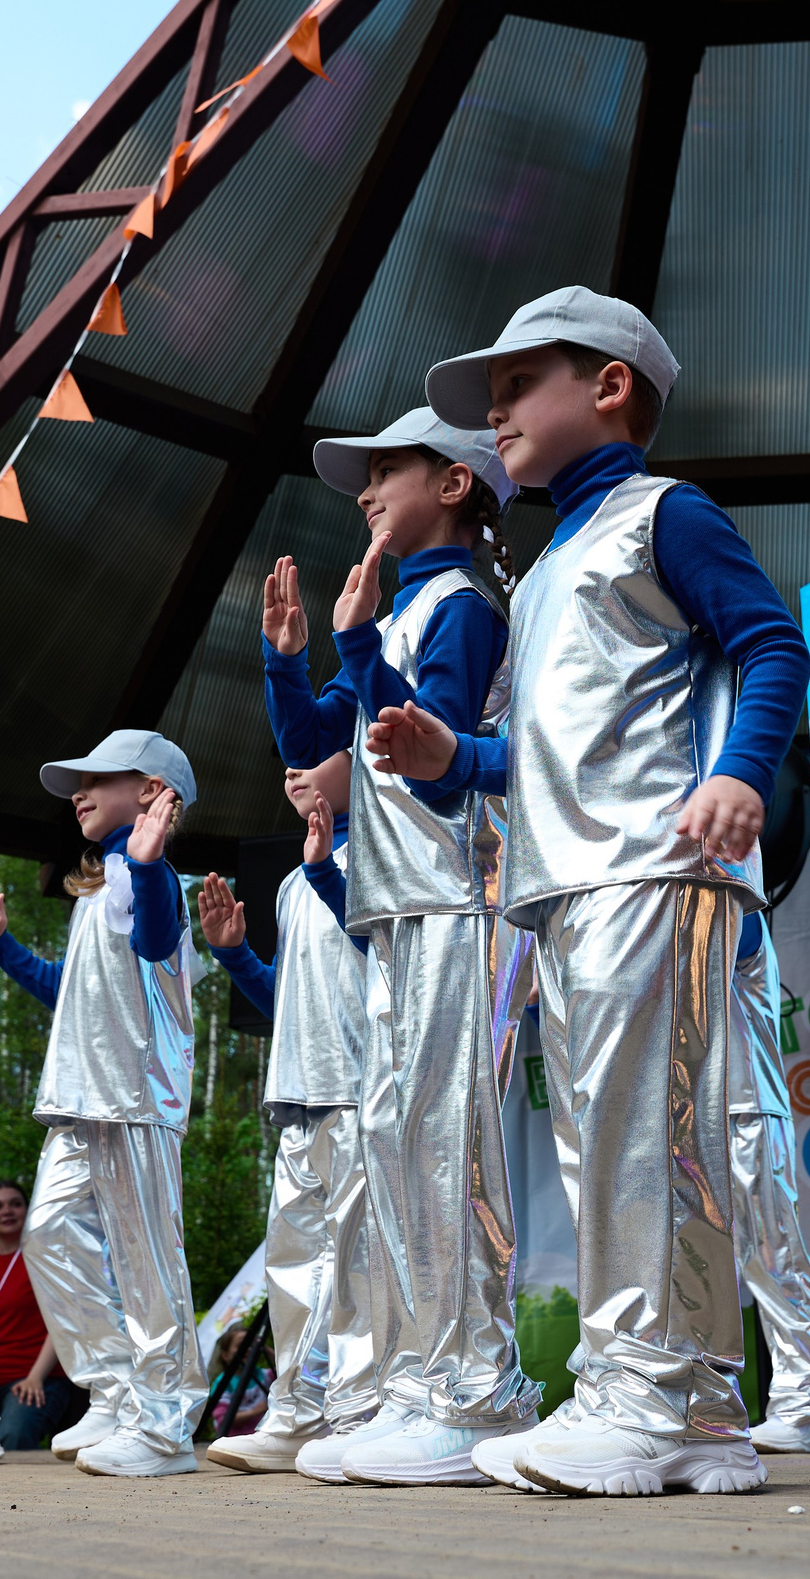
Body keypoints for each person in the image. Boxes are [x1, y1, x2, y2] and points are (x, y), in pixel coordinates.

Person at [371, 287, 810, 1498]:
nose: (495, 410)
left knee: (640, 1138)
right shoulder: (556, 559)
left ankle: (647, 1391)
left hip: (651, 867)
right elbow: (548, 754)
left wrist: (737, 774)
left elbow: (772, 641)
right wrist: (451, 759)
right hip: (568, 884)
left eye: (518, 383)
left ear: (609, 385)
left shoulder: (663, 516)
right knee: (607, 1137)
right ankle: (695, 1408)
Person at [268, 408, 533, 1488]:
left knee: (448, 1145)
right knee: (395, 1147)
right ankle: (422, 1381)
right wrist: (295, 659)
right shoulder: (404, 606)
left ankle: (478, 1392)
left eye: (390, 469)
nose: (368, 488)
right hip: (397, 911)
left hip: (464, 901)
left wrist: (359, 648)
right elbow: (312, 744)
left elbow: (419, 753)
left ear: (458, 484)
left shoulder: (464, 605)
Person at [0, 730, 207, 1479]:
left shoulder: (153, 878)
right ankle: (118, 1386)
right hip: (80, 1100)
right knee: (44, 1232)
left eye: (96, 777)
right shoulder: (102, 884)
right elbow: (67, 994)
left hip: (134, 1098)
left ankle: (165, 1424)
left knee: (147, 1258)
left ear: (150, 792)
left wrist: (146, 860)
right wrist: (2, 946)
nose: (77, 789)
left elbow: (159, 937)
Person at [198, 758, 380, 1475]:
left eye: (314, 754)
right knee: (292, 1267)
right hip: (298, 1092)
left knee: (357, 1266)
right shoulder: (285, 881)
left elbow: (392, 956)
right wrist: (236, 956)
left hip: (363, 1087)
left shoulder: (385, 848)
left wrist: (329, 877)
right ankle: (297, 1413)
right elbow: (288, 999)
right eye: (286, 757)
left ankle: (359, 1414)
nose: (290, 769)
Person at [725, 918, 810, 1457]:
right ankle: (707, 1409)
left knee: (773, 1259)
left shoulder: (734, 903)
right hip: (684, 1115)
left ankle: (807, 1407)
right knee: (697, 1273)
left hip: (746, 1107)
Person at [0, 1178, 78, 1450]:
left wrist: (36, 1377)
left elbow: (62, 1321)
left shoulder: (44, 1259)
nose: (7, 1211)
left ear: (28, 1211)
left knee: (12, 1436)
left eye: (16, 1204)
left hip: (38, 1377)